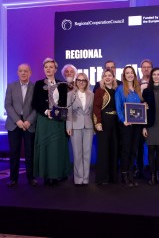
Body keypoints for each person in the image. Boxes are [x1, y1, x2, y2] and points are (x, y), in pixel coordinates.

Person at [32, 58, 71, 186]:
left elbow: (65, 103)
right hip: (44, 121)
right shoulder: (38, 84)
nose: (48, 69)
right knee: (45, 148)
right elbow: (35, 103)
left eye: (51, 67)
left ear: (55, 69)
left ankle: (56, 175)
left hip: (58, 121)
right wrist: (46, 111)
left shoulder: (62, 84)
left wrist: (59, 113)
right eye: (46, 67)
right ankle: (45, 175)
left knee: (56, 149)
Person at [5, 64, 37, 187]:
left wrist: (29, 120)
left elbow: (37, 107)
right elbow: (8, 105)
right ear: (18, 73)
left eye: (26, 71)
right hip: (14, 123)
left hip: (29, 123)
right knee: (14, 152)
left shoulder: (35, 87)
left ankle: (31, 178)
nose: (23, 73)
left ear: (30, 73)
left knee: (30, 152)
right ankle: (13, 179)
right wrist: (18, 120)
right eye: (21, 71)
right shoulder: (11, 86)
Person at [115, 66, 143, 187]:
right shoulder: (120, 89)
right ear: (124, 75)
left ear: (134, 75)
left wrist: (144, 106)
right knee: (126, 150)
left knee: (134, 149)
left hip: (137, 124)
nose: (130, 75)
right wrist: (123, 120)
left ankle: (131, 174)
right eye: (127, 73)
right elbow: (118, 107)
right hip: (126, 124)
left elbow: (139, 106)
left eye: (132, 73)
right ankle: (124, 175)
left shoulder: (137, 89)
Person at [66, 73, 94, 186]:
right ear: (76, 81)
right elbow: (68, 111)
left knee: (87, 153)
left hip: (88, 126)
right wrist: (68, 126)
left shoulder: (91, 94)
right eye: (79, 80)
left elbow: (93, 112)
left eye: (84, 80)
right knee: (77, 153)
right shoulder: (70, 94)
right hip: (75, 126)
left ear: (86, 82)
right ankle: (78, 179)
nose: (81, 82)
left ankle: (86, 178)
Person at [93, 69, 118, 185]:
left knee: (114, 150)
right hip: (103, 123)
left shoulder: (117, 90)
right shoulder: (99, 91)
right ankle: (102, 178)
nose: (108, 77)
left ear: (113, 77)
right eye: (105, 76)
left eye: (110, 76)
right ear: (103, 78)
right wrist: (98, 122)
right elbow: (96, 108)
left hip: (115, 124)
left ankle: (113, 177)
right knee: (103, 151)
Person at [136, 59, 153, 178]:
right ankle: (139, 169)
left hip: (152, 117)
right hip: (139, 117)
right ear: (141, 69)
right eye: (144, 67)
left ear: (152, 68)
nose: (146, 69)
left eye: (148, 67)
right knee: (139, 145)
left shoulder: (157, 81)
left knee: (153, 145)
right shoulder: (135, 83)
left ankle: (153, 170)